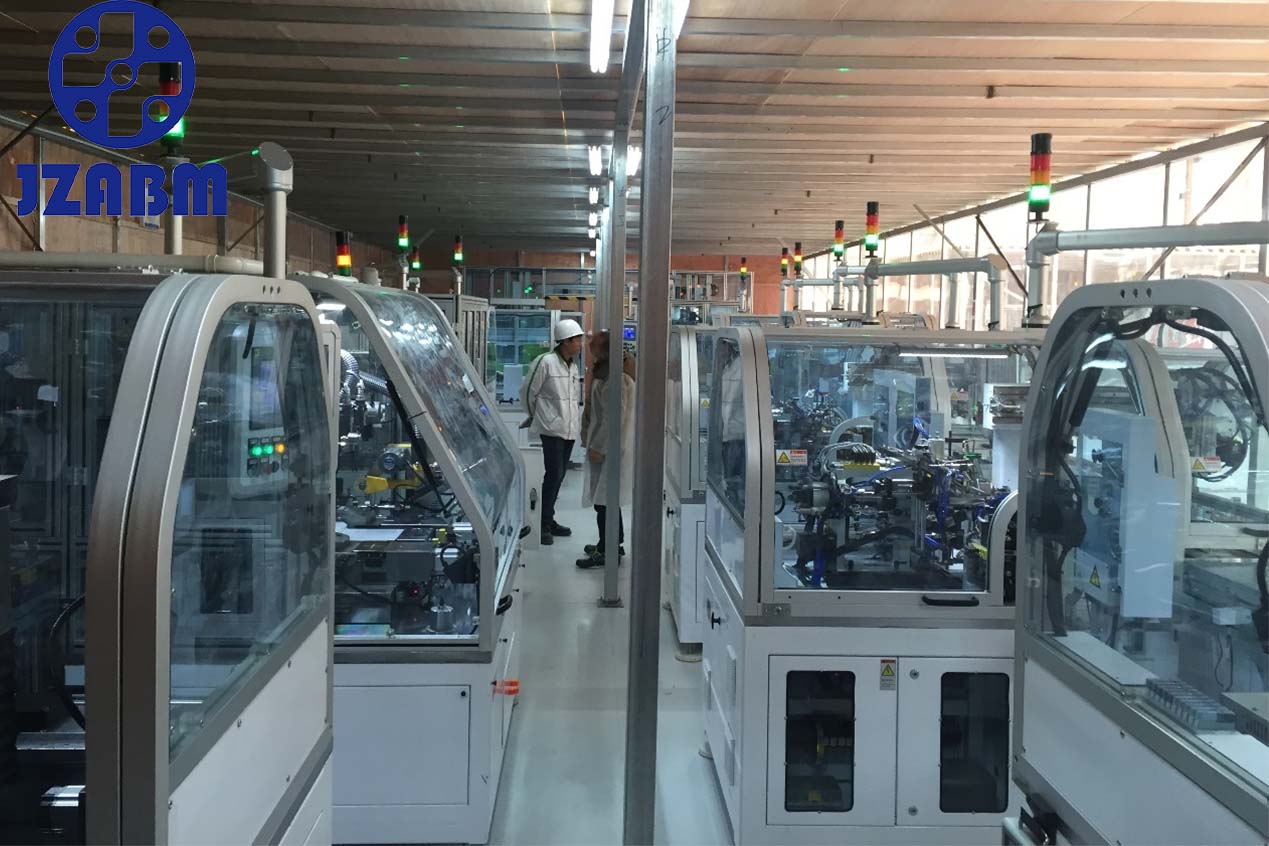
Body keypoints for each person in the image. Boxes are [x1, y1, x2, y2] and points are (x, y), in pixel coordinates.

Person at [521, 318, 585, 546]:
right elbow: (527, 392)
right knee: (553, 476)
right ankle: (543, 524)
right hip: (551, 430)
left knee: (559, 476)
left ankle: (548, 518)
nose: (580, 344)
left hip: (568, 430)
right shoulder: (545, 362)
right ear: (565, 341)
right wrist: (537, 416)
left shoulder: (572, 366)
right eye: (577, 340)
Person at [576, 331, 635, 569]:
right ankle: (610, 543)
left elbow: (613, 419)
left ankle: (607, 549)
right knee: (606, 500)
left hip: (610, 450)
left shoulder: (616, 380)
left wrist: (600, 448)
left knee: (605, 501)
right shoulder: (607, 374)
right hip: (606, 447)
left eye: (594, 348)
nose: (590, 353)